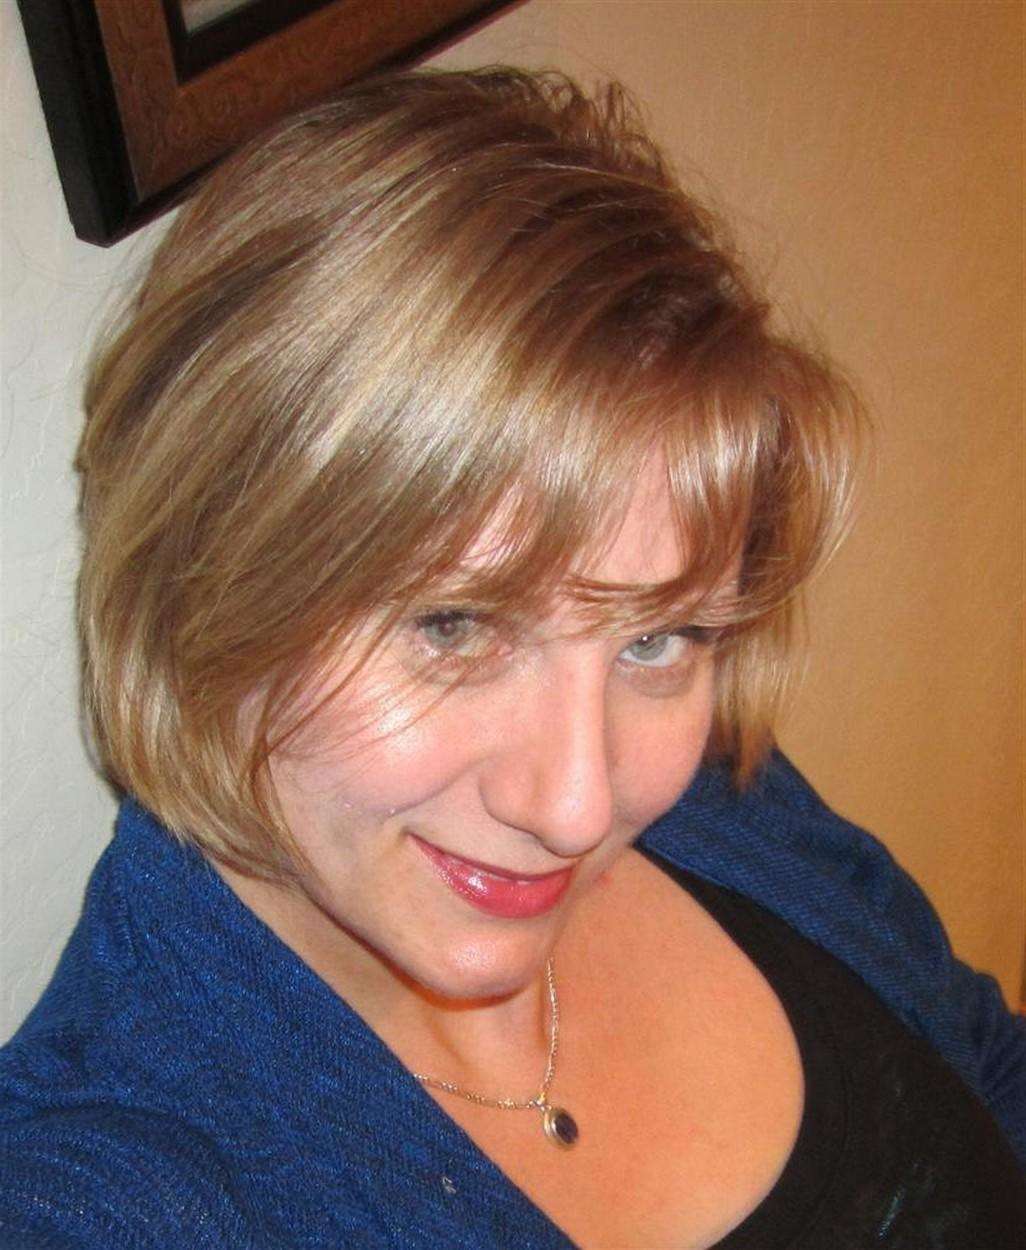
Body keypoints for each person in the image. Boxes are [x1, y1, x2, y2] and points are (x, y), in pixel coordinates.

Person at [1, 67, 1022, 1249]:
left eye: (657, 636)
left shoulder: (721, 793)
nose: (581, 803)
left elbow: (983, 1063)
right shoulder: (109, 1194)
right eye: (454, 625)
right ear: (203, 583)